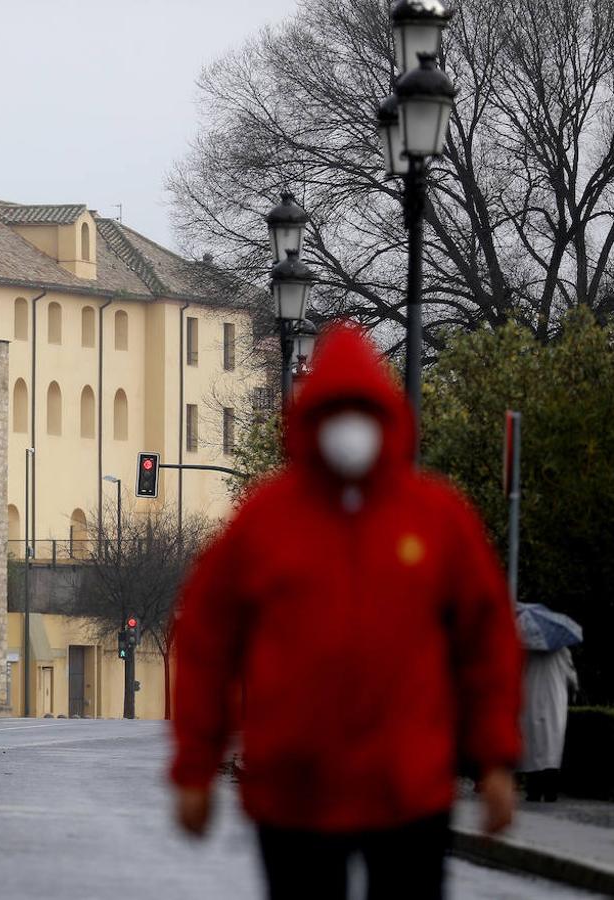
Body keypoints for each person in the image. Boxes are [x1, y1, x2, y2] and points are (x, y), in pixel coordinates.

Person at [169, 323, 522, 900]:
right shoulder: (267, 520)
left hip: (406, 787)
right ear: (312, 420)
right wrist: (195, 766)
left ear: (385, 417)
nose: (348, 428)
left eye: (359, 411)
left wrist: (496, 760)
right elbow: (208, 641)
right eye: (335, 411)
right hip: (296, 791)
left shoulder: (435, 519)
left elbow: (486, 642)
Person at [520, 646, 578, 802]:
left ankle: (533, 791)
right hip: (555, 700)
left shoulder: (528, 650)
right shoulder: (563, 650)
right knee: (553, 746)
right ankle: (550, 791)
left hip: (532, 698)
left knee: (533, 745)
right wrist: (575, 688)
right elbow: (571, 676)